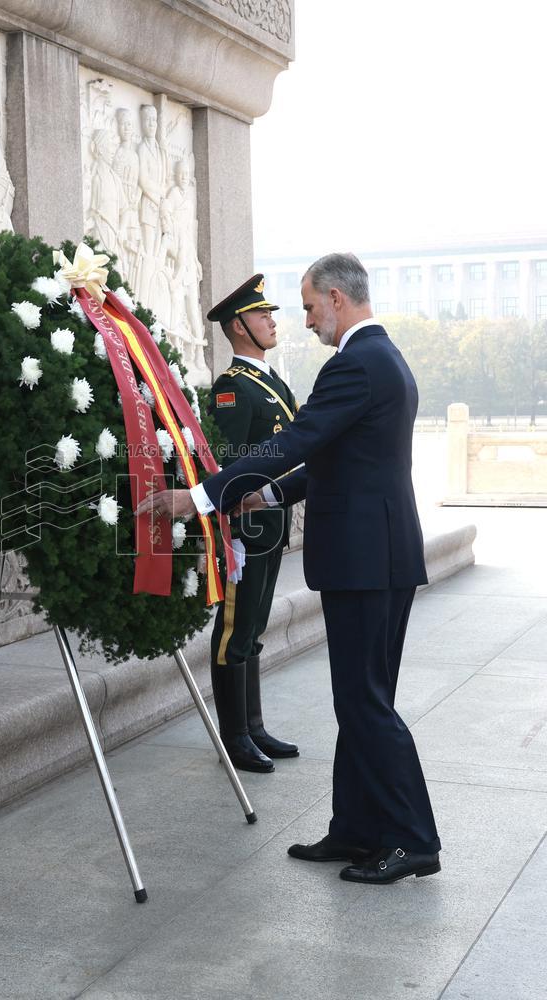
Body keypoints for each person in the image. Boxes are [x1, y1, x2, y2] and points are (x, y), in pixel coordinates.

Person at [138, 253, 441, 884]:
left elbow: (294, 443)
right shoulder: (383, 358)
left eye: (308, 307)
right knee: (359, 699)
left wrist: (200, 497)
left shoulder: (354, 363)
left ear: (336, 298)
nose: (304, 320)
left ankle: (412, 838)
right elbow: (336, 460)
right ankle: (356, 829)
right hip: (377, 555)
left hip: (365, 560)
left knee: (364, 701)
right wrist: (267, 494)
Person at [204, 274, 303, 773]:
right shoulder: (232, 388)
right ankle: (235, 737)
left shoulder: (272, 382)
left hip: (272, 521)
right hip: (245, 528)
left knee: (255, 626)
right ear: (239, 327)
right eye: (262, 314)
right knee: (234, 629)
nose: (271, 321)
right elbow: (226, 462)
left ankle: (254, 726)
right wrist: (232, 532)